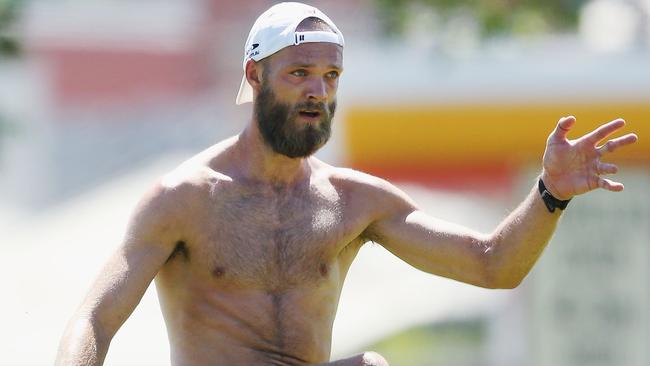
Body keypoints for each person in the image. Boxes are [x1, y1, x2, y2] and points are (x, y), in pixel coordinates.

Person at [54, 2, 638, 366]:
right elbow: (94, 319)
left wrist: (550, 192)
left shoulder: (355, 201)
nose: (318, 91)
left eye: (331, 76)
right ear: (255, 76)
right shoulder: (185, 198)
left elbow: (492, 265)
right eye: (300, 73)